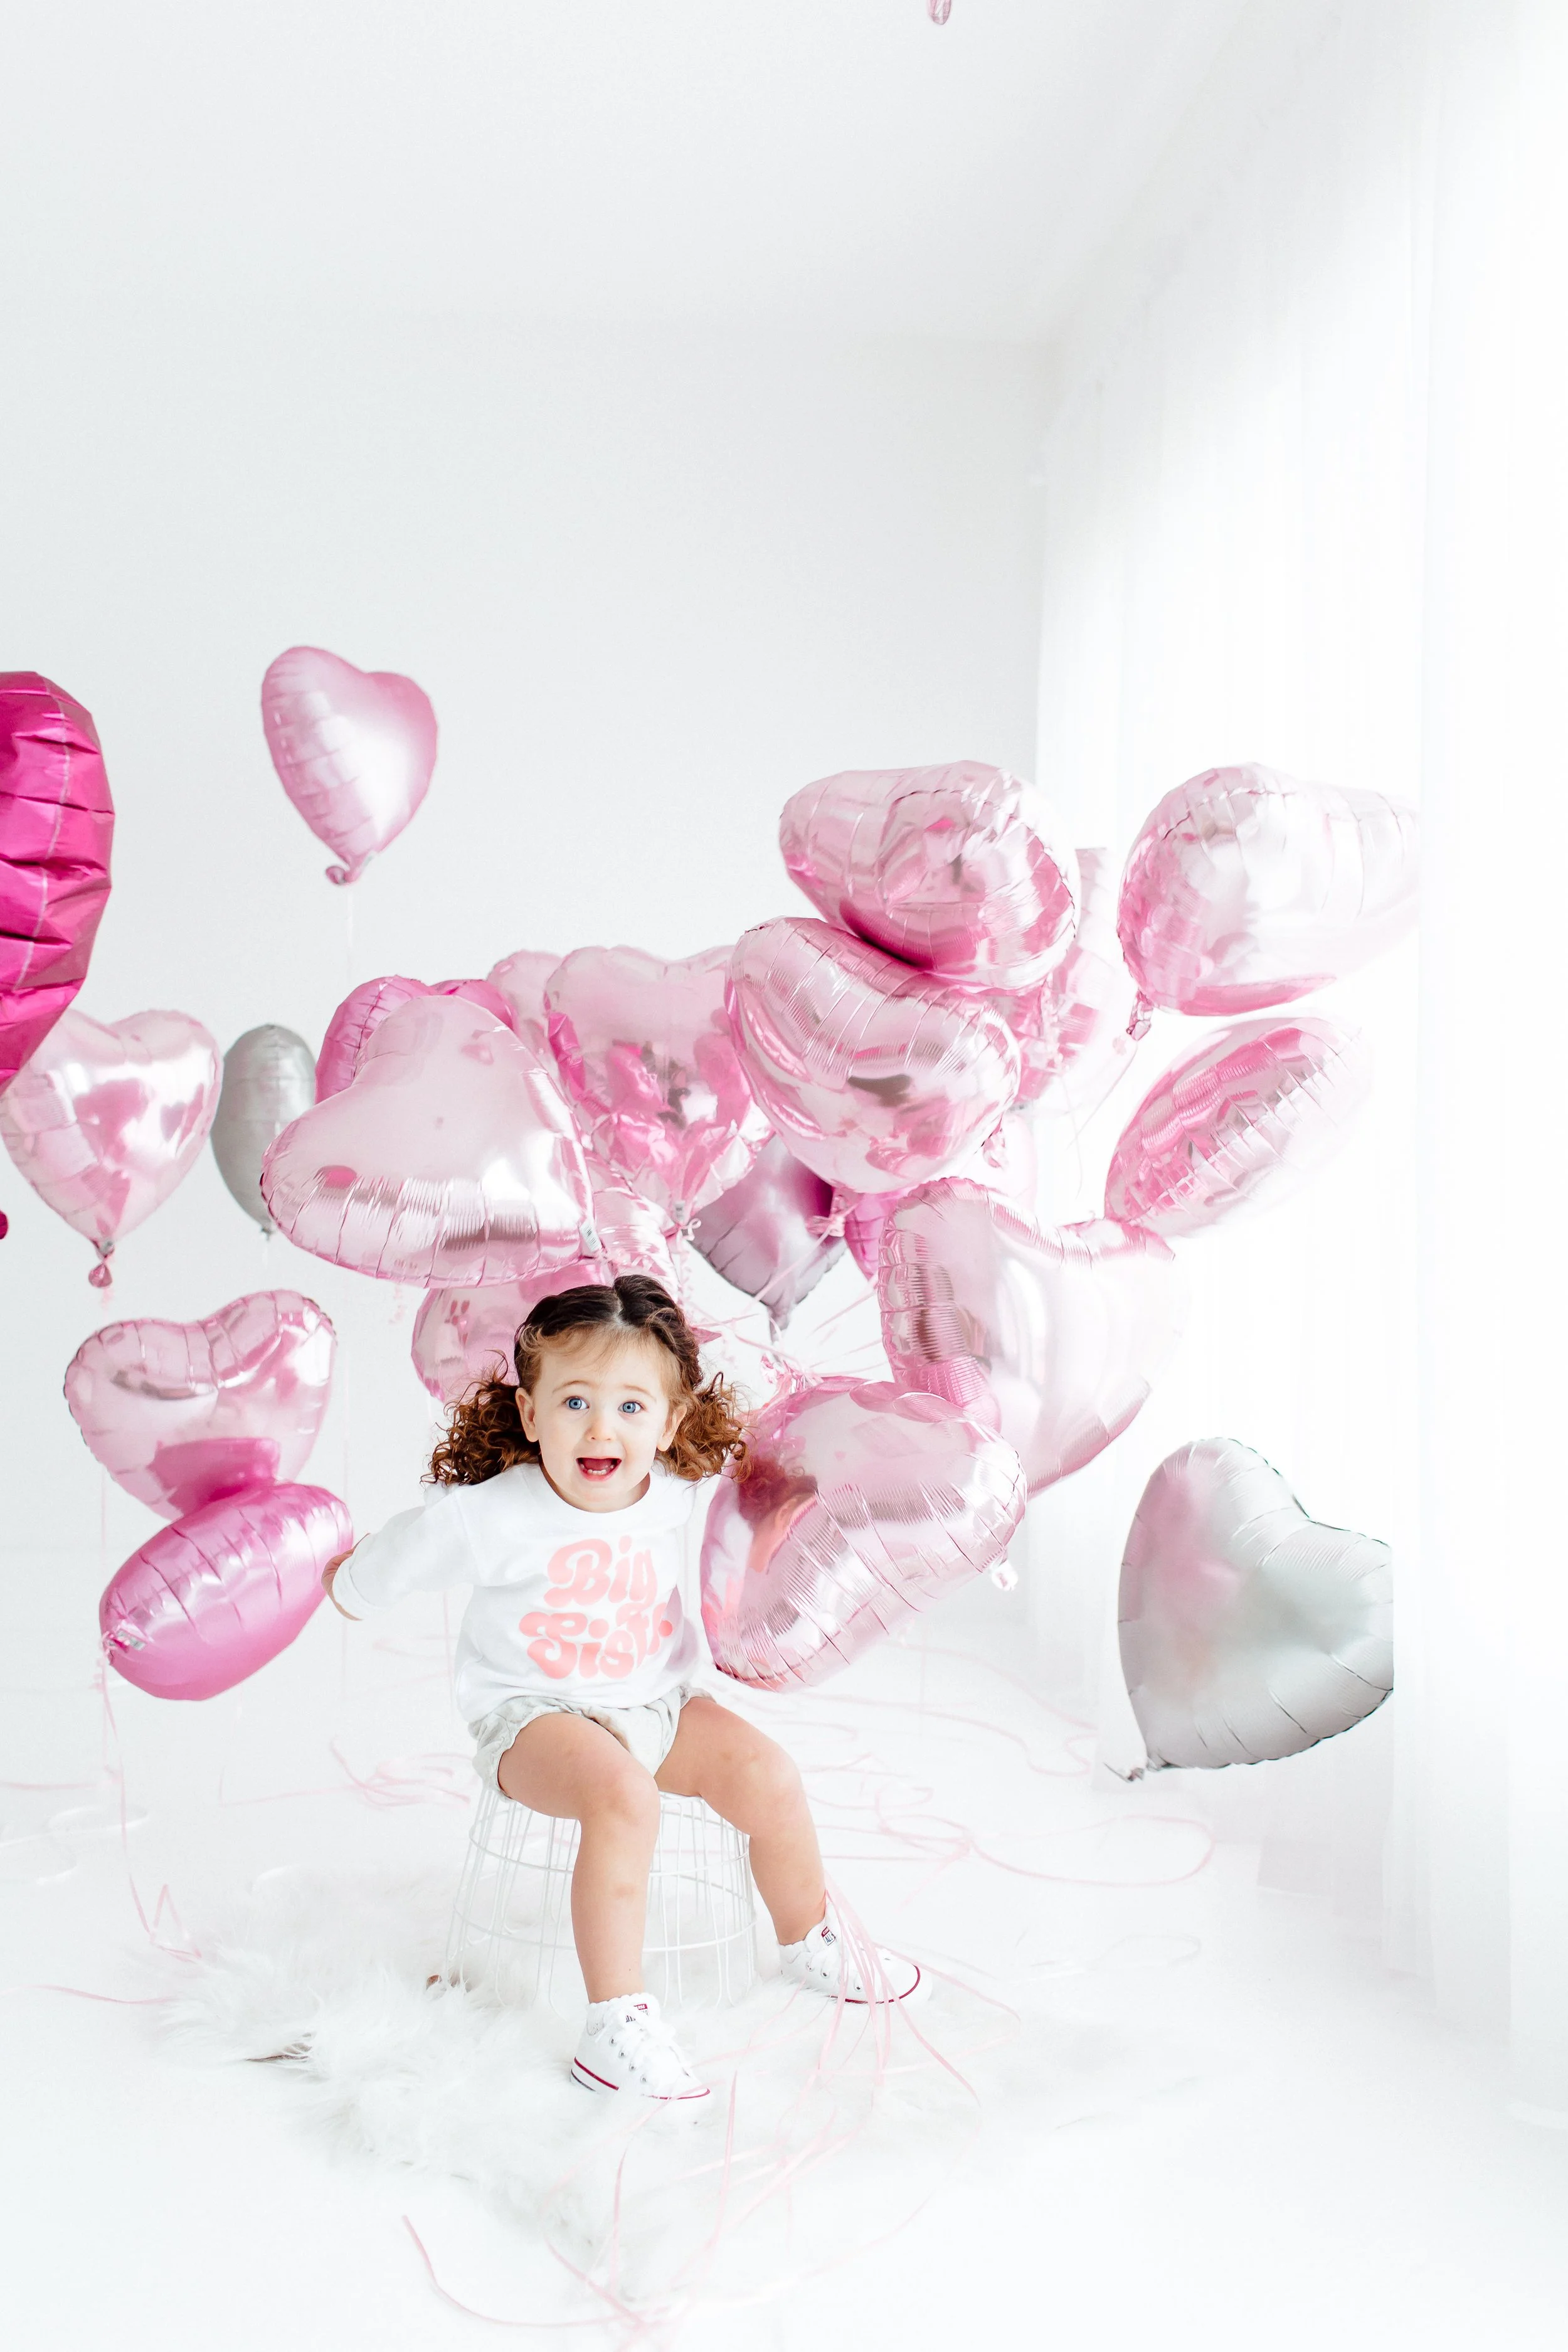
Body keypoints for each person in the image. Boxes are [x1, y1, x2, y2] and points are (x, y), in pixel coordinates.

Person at [324, 1273, 921, 2107]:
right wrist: (347, 1581)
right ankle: (615, 2023)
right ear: (530, 1414)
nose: (601, 1426)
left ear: (671, 1420)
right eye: (573, 1402)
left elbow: (771, 1491)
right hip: (535, 1716)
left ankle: (806, 1936)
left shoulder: (676, 1491)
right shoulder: (492, 1515)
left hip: (659, 1703)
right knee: (624, 1800)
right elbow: (393, 1558)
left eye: (631, 1407)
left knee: (770, 1776)